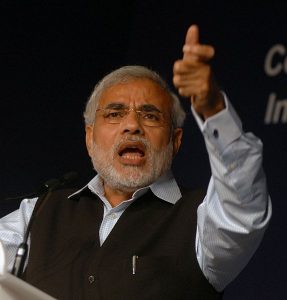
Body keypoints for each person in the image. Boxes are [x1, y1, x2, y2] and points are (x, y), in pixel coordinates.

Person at [0, 25, 271, 299]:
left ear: (175, 141)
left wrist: (213, 109)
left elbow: (242, 207)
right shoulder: (38, 213)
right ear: (89, 137)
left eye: (151, 116)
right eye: (114, 114)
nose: (132, 125)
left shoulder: (201, 221)